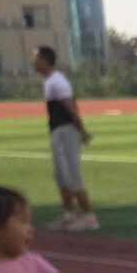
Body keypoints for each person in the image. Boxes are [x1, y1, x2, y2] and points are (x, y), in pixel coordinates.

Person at [31, 45, 98, 232]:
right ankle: (69, 215)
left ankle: (89, 218)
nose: (33, 62)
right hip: (58, 131)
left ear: (45, 60)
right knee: (61, 175)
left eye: (35, 58)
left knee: (72, 174)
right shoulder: (50, 81)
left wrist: (82, 131)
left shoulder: (57, 81)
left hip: (66, 131)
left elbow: (71, 108)